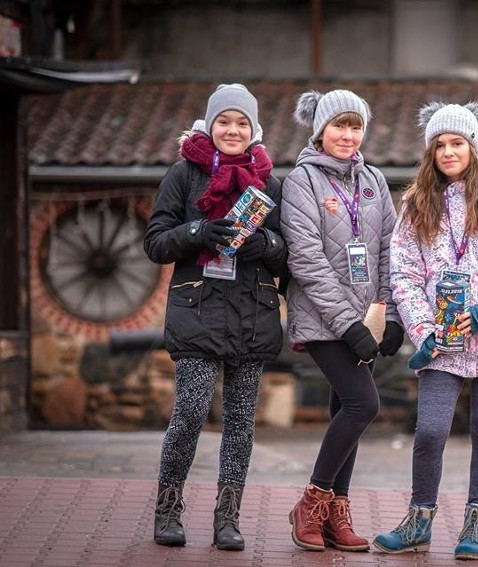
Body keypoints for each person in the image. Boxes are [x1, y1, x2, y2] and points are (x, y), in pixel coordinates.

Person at [372, 102, 478, 560]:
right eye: (440, 145)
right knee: (430, 430)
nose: (448, 152)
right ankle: (418, 522)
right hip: (439, 342)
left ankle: (476, 524)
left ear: (473, 147)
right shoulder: (414, 206)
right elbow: (403, 276)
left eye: (457, 143)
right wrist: (424, 328)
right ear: (430, 152)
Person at [144, 83, 287, 551]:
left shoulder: (271, 183)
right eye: (224, 121)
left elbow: (288, 255)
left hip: (253, 313)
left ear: (253, 130)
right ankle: (168, 508)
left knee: (241, 423)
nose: (232, 130)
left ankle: (228, 518)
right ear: (210, 124)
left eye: (241, 123)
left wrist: (263, 244)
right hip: (197, 310)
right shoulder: (184, 175)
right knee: (189, 411)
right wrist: (198, 230)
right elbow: (156, 242)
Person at [280, 89, 404, 552]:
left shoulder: (373, 180)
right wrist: (348, 325)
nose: (348, 135)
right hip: (323, 319)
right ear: (320, 130)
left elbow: (393, 249)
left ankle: (337, 512)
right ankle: (311, 501)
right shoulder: (301, 182)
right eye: (339, 126)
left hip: (367, 319)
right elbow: (307, 260)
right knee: (362, 405)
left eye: (355, 127)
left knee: (343, 409)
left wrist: (390, 315)